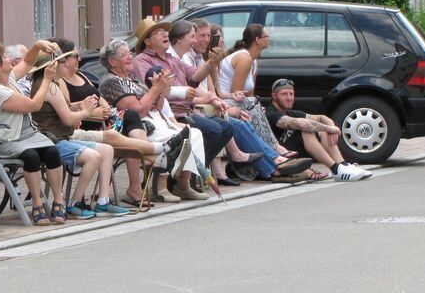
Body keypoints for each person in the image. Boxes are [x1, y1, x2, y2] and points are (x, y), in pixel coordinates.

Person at [133, 17, 308, 185]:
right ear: (147, 41)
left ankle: (190, 175)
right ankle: (185, 176)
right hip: (169, 114)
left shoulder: (172, 59)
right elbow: (150, 90)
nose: (165, 35)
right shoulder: (143, 61)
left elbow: (195, 76)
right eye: (158, 33)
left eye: (165, 31)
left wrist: (211, 62)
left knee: (229, 124)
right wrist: (195, 94)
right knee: (218, 127)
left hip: (188, 110)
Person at [29, 50, 186, 218]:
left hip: (70, 132)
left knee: (108, 149)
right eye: (62, 62)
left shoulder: (56, 83)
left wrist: (81, 105)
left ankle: (103, 200)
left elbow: (63, 109)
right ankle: (75, 202)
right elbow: (67, 119)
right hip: (59, 137)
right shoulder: (51, 86)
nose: (67, 64)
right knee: (101, 149)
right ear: (51, 67)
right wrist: (86, 111)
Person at [98, 39, 210, 205]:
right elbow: (136, 110)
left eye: (130, 53)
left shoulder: (133, 79)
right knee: (178, 136)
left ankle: (183, 184)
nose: (130, 57)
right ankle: (161, 186)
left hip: (154, 120)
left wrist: (161, 89)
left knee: (194, 133)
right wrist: (155, 89)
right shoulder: (111, 81)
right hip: (135, 125)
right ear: (112, 61)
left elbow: (156, 105)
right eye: (124, 55)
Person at [0, 43, 72, 225]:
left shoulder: (8, 78)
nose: (9, 59)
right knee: (31, 157)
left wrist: (37, 46)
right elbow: (34, 105)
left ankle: (58, 200)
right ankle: (37, 204)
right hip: (6, 140)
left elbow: (28, 61)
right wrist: (47, 80)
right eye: (4, 57)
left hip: (28, 135)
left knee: (52, 152)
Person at [266, 79, 371, 181]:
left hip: (298, 154)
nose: (289, 98)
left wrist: (331, 128)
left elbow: (321, 118)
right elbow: (301, 124)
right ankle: (335, 169)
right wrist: (330, 128)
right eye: (284, 94)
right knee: (308, 129)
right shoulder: (270, 114)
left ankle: (342, 165)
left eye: (291, 94)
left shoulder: (292, 113)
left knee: (323, 131)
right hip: (282, 158)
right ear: (274, 96)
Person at [216, 23, 290, 153]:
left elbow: (249, 95)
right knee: (253, 106)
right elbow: (236, 93)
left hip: (235, 101)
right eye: (266, 36)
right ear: (257, 40)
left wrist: (257, 107)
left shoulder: (253, 61)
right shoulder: (244, 58)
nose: (269, 39)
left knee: (256, 105)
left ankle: (269, 150)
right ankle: (273, 148)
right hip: (223, 101)